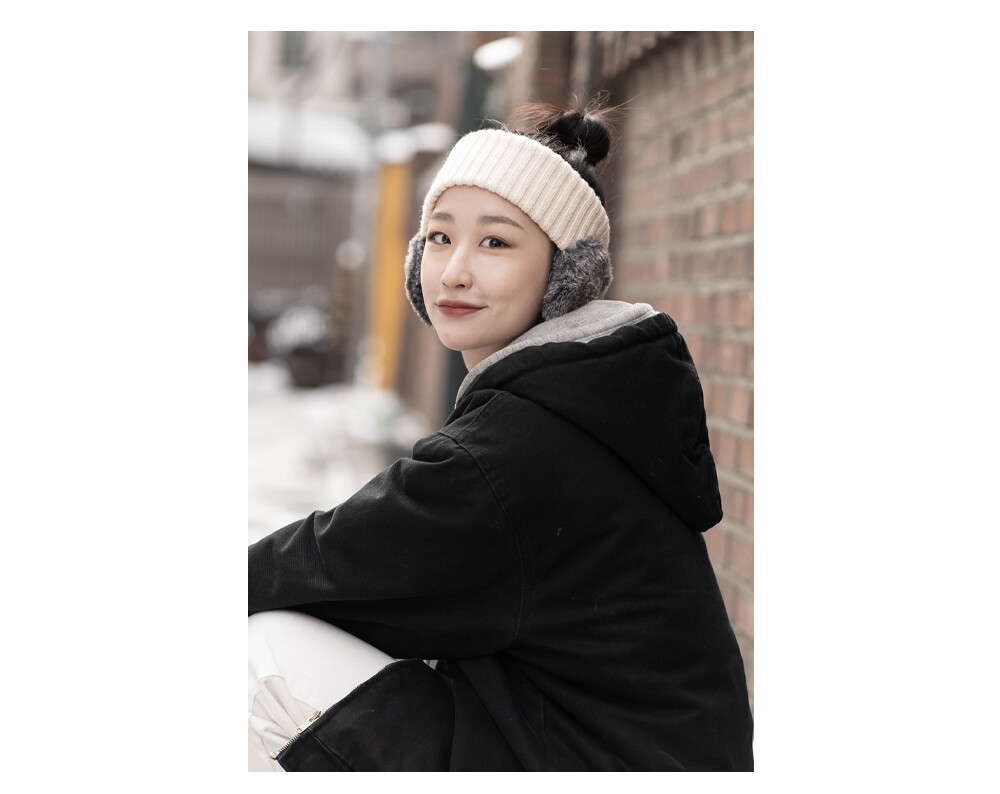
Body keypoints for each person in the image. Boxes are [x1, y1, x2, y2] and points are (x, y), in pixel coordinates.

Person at [248, 102, 754, 772]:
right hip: (588, 751)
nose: (455, 270)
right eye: (439, 237)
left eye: (496, 242)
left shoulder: (520, 447)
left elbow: (318, 564)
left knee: (259, 651)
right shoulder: (580, 403)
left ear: (566, 275)